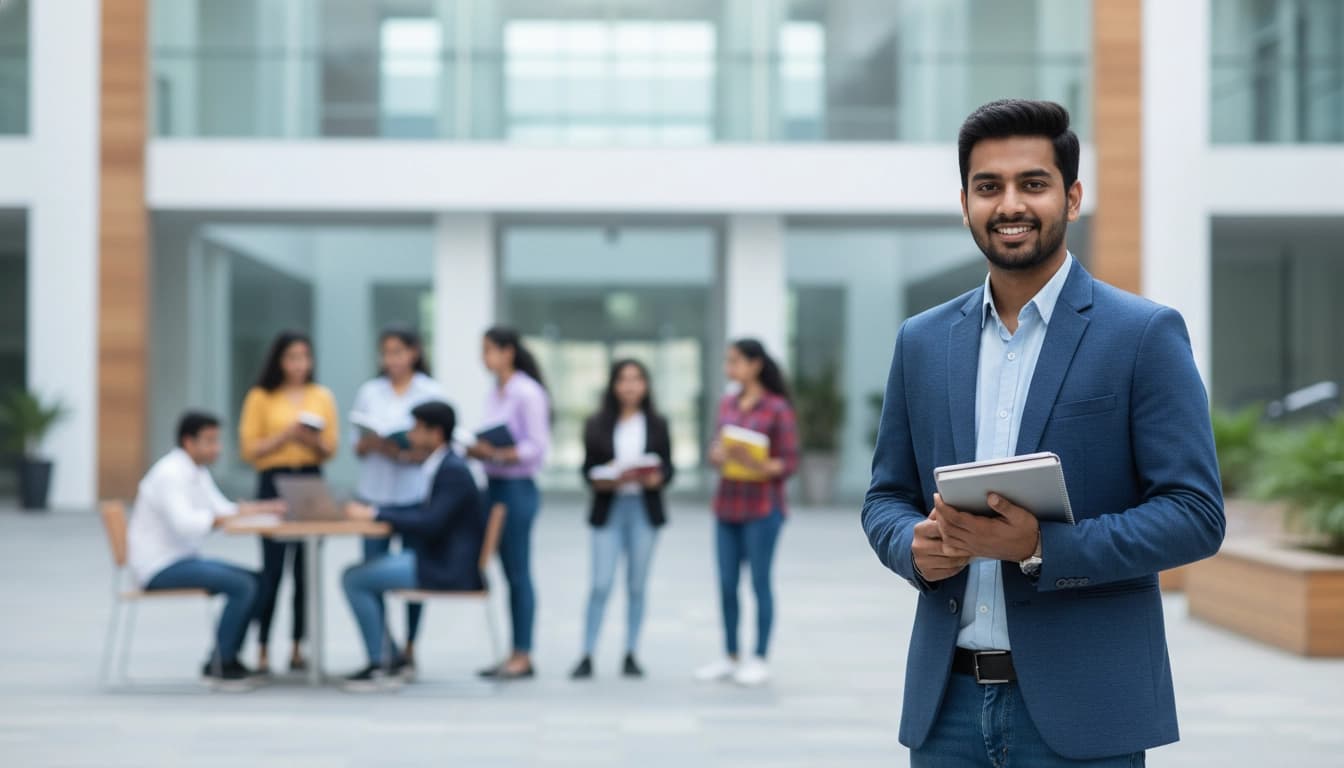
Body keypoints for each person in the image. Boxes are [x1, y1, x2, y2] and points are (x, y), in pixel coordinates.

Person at [861, 99, 1224, 766]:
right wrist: (910, 547)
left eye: (1032, 183)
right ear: (965, 204)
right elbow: (885, 495)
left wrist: (1039, 547)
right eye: (988, 186)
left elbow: (1195, 515)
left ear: (1072, 197)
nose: (1010, 205)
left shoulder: (1142, 335)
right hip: (946, 714)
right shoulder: (922, 342)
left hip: (1086, 712)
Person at [127, 412, 285, 685]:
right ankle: (220, 663)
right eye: (210, 441)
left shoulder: (197, 471)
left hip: (182, 559)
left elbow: (222, 509)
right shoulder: (170, 474)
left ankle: (227, 657)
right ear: (189, 442)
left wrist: (262, 509)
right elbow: (186, 524)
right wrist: (224, 519)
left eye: (217, 441)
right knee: (243, 585)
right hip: (159, 566)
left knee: (260, 581)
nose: (217, 448)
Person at [341, 401, 487, 691]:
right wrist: (377, 511)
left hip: (446, 567)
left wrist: (375, 514)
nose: (409, 435)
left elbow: (430, 522)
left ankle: (381, 663)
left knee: (354, 578)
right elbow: (426, 513)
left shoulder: (452, 470)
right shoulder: (443, 465)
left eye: (416, 428)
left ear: (436, 433)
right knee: (359, 575)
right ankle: (388, 657)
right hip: (437, 559)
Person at [695, 339, 799, 687]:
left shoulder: (777, 408)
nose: (730, 368)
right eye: (728, 361)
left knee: (759, 582)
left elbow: (789, 462)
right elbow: (715, 447)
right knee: (726, 584)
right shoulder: (727, 403)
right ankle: (730, 655)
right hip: (727, 505)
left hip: (762, 508)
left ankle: (759, 657)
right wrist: (717, 455)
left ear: (755, 365)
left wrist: (757, 463)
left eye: (736, 361)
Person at [238, 330, 339, 675]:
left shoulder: (321, 396)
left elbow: (331, 448)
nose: (299, 364)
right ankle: (263, 647)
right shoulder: (261, 397)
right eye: (293, 357)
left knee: (305, 571)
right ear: (279, 360)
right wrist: (286, 435)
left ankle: (299, 647)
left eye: (305, 357)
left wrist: (312, 441)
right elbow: (249, 449)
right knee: (272, 570)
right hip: (274, 482)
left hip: (310, 479)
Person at [350, 326, 446, 676]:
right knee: (371, 573)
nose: (392, 359)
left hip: (413, 495)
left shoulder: (431, 392)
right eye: (386, 353)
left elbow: (439, 446)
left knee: (414, 575)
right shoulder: (369, 392)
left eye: (398, 352)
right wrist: (371, 444)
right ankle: (383, 649)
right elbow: (356, 446)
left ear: (414, 352)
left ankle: (409, 647)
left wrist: (402, 452)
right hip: (374, 494)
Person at [571, 359, 675, 680]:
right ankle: (587, 652)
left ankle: (631, 652)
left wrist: (657, 478)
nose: (630, 386)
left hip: (643, 509)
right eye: (623, 379)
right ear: (613, 385)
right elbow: (587, 469)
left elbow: (668, 467)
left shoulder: (657, 423)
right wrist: (605, 477)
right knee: (600, 583)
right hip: (609, 508)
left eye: (636, 379)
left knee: (637, 584)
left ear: (646, 385)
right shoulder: (597, 423)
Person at [466, 326, 550, 680]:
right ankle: (511, 651)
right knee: (502, 570)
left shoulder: (527, 392)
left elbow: (537, 448)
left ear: (508, 352)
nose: (484, 357)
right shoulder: (495, 391)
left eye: (489, 350)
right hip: (494, 485)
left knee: (518, 572)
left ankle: (523, 653)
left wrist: (498, 453)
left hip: (517, 488)